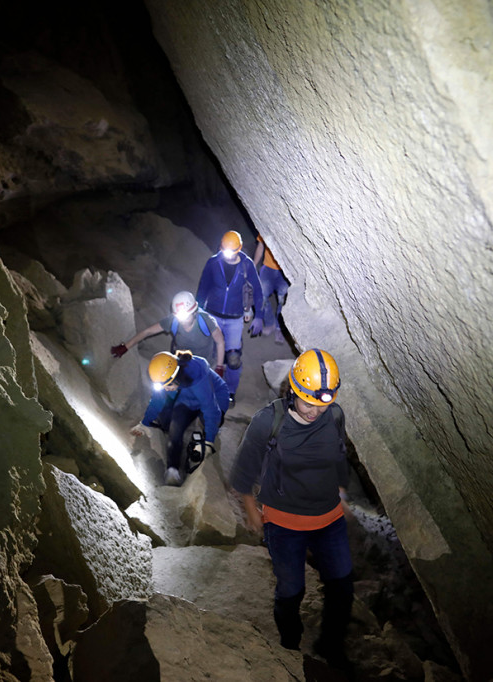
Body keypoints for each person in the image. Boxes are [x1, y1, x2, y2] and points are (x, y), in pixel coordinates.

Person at [229, 349, 354, 671]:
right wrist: (252, 510)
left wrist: (342, 492)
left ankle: (331, 644)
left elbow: (339, 456)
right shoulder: (267, 422)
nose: (316, 411)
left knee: (341, 585)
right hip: (285, 523)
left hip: (328, 518)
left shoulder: (335, 414)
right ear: (293, 391)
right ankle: (289, 645)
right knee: (291, 589)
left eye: (322, 404)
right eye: (309, 403)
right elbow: (244, 472)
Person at [132, 350, 230, 486]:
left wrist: (209, 441)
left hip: (216, 397)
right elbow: (157, 400)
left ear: (176, 379)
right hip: (187, 400)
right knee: (174, 427)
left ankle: (199, 448)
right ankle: (172, 469)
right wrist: (145, 423)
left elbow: (211, 410)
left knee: (210, 422)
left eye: (168, 386)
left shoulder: (198, 378)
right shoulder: (169, 374)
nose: (166, 389)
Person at [195, 230, 263, 402]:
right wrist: (198, 311)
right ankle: (201, 386)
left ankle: (229, 392)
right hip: (213, 316)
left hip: (235, 319)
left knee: (233, 359)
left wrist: (259, 315)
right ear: (221, 247)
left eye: (233, 252)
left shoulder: (247, 265)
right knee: (206, 352)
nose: (229, 256)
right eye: (226, 251)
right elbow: (203, 288)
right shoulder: (213, 263)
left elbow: (258, 290)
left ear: (240, 249)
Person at [110, 291, 226, 373]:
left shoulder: (206, 321)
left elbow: (220, 342)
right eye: (180, 317)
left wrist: (219, 367)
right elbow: (148, 332)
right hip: (181, 363)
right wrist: (125, 347)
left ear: (194, 312)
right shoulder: (173, 321)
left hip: (204, 365)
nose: (183, 321)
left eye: (186, 316)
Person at [252, 234, 289, 345]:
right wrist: (253, 264)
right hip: (268, 267)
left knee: (283, 301)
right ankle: (270, 323)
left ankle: (279, 328)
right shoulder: (268, 225)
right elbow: (260, 246)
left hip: (285, 271)